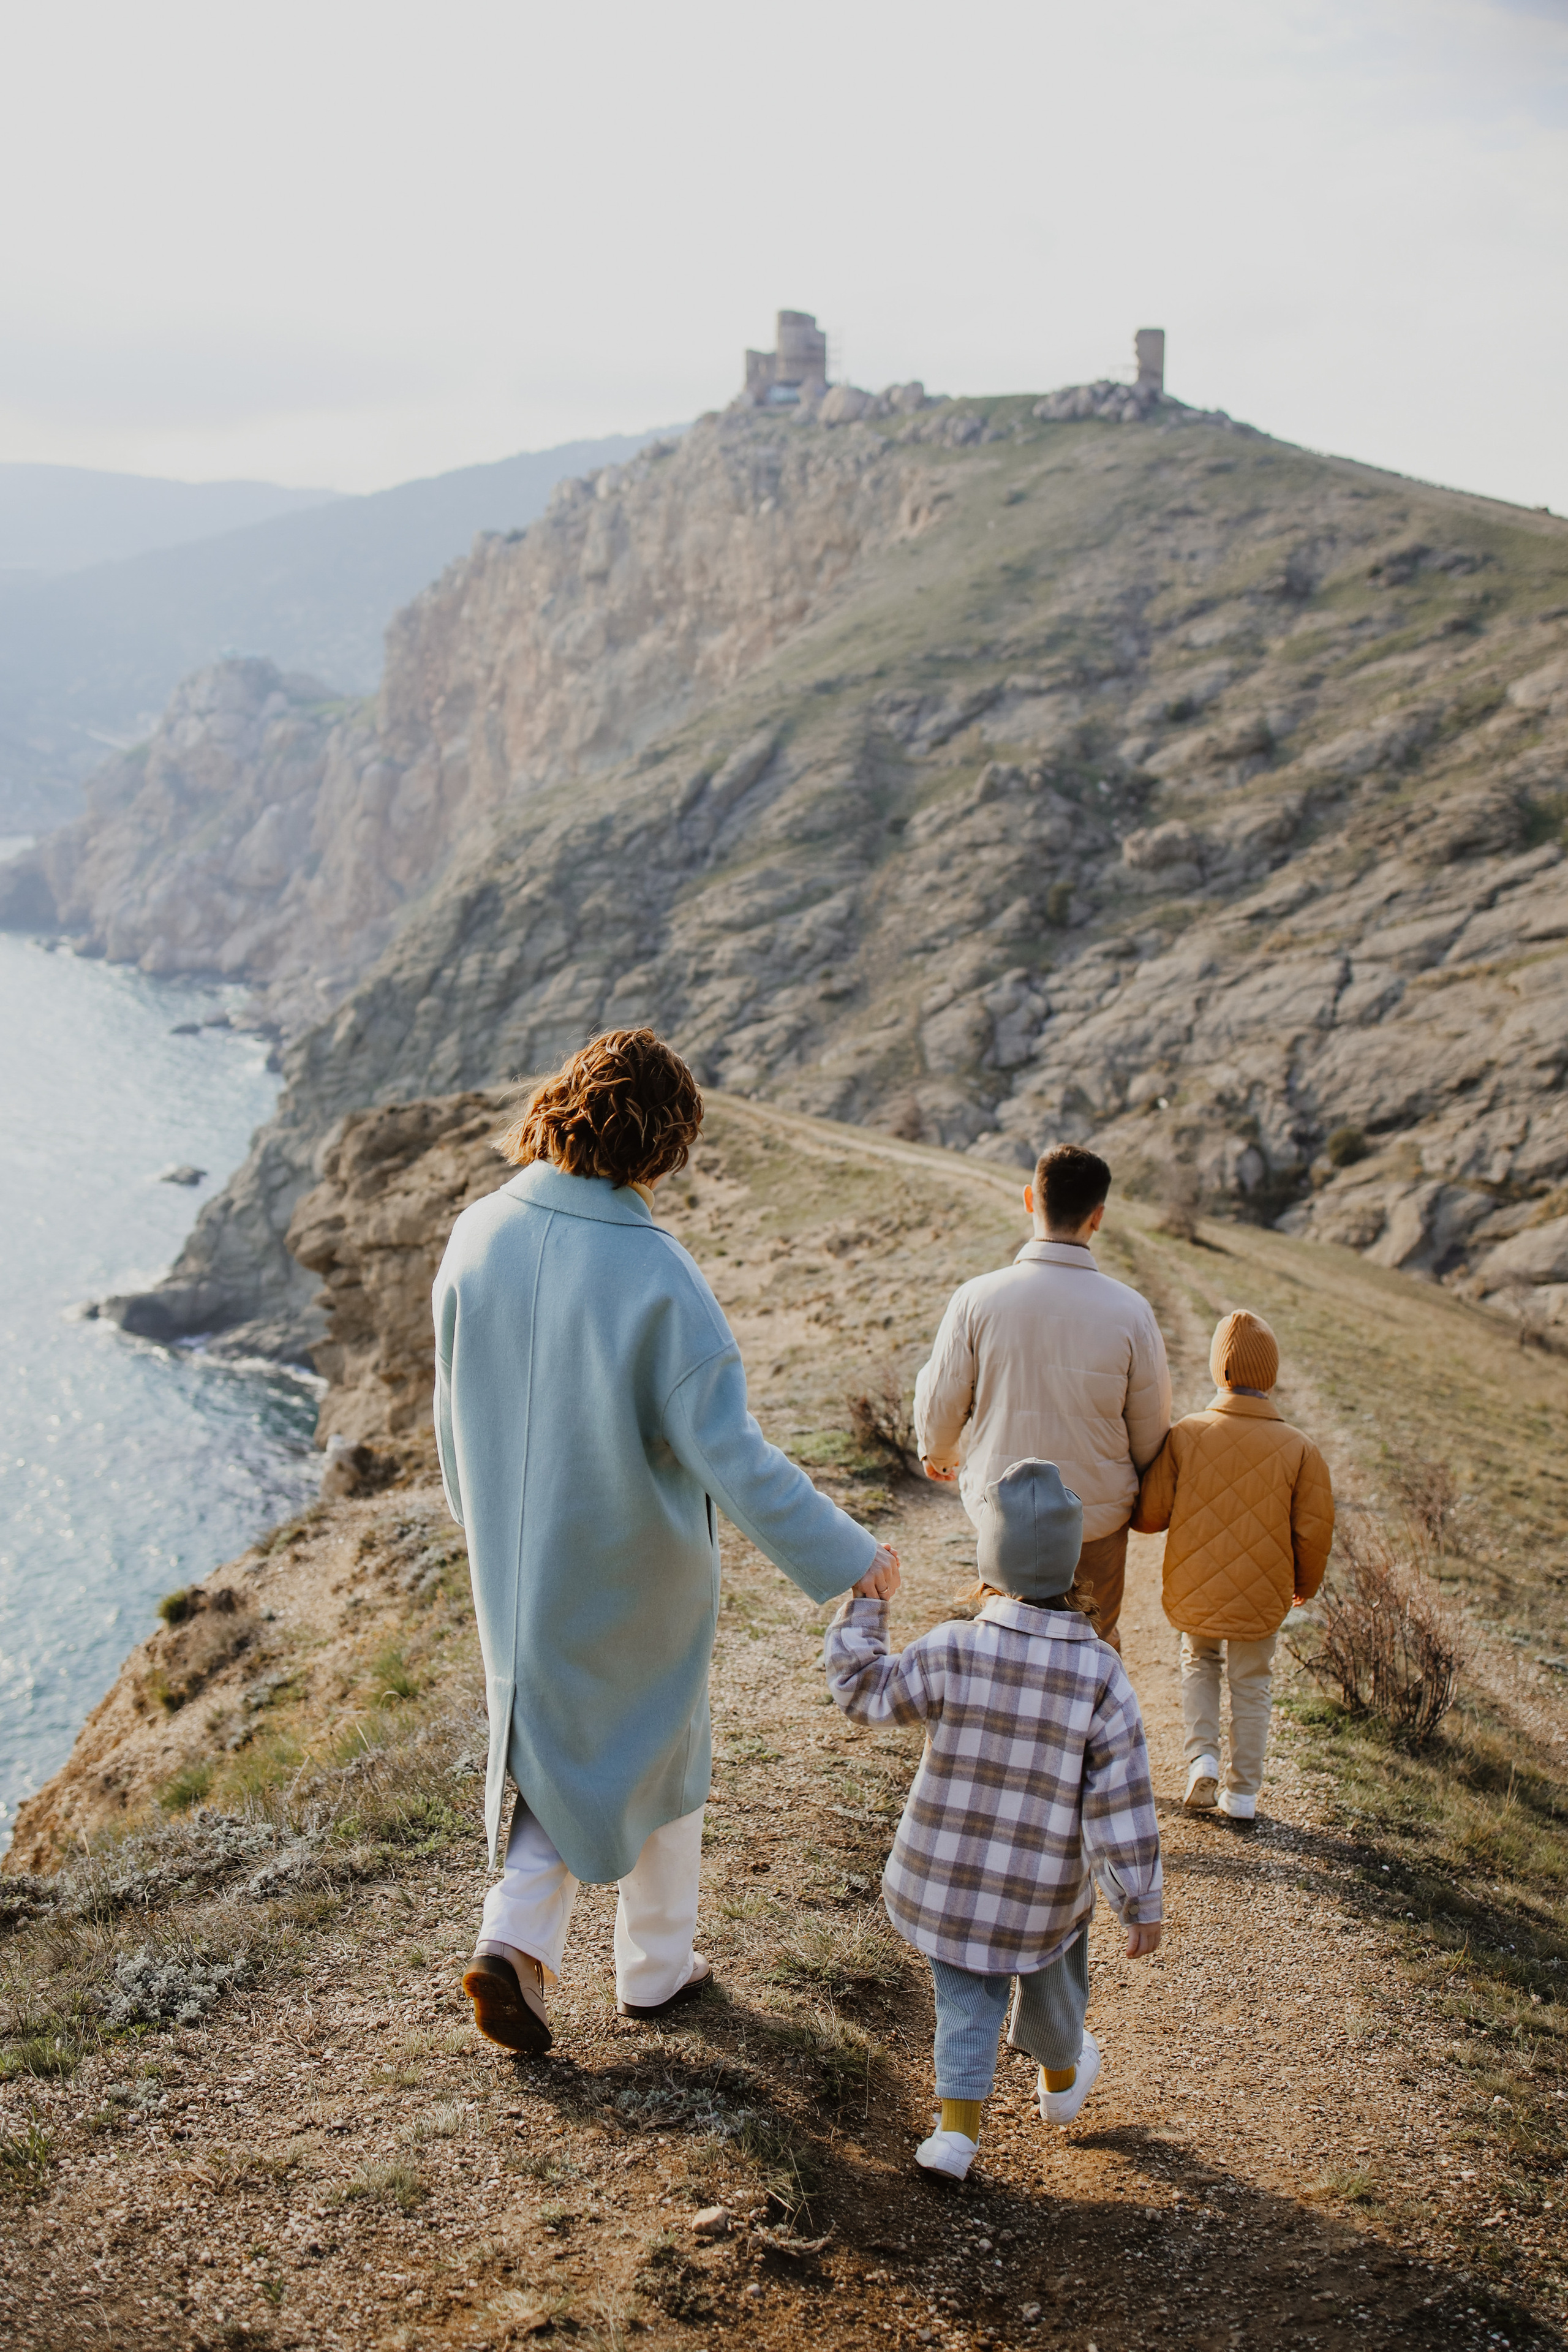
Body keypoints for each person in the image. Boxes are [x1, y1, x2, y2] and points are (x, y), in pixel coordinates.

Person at [432, 1029, 899, 2055]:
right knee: (662, 1747)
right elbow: (730, 1452)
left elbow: (450, 1416)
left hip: (515, 1565)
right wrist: (846, 1554)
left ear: (559, 1104)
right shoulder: (656, 1271)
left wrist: (484, 1530)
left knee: (547, 1749)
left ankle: (514, 1940)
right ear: (663, 1145)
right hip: (632, 1565)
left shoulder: (475, 1235)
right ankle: (655, 1969)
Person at [824, 1457, 1163, 2184]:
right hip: (1042, 1894)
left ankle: (955, 2135)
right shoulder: (1100, 1674)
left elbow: (863, 1692)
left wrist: (866, 1603)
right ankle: (1063, 2075)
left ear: (990, 1563)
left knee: (966, 1998)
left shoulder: (954, 1647)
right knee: (1051, 1980)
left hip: (947, 1880)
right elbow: (1120, 1799)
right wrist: (1137, 1899)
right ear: (1072, 1567)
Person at [913, 1143, 1170, 1650]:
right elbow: (1151, 1430)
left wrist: (940, 1454)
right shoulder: (1132, 1312)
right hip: (1095, 1517)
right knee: (1092, 1649)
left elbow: (943, 1398)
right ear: (1098, 1217)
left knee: (1005, 1647)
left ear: (1031, 1199)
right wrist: (1137, 1487)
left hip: (1003, 1510)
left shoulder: (977, 1298)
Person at [1133, 1308, 1334, 1824]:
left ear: (1219, 1371)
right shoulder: (1300, 1448)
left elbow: (1152, 1515)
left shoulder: (1187, 1433)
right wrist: (1305, 1584)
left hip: (1195, 1581)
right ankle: (1243, 1794)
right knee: (1253, 1682)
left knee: (1200, 1661)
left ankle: (1202, 1757)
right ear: (1271, 1375)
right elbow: (1314, 1530)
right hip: (1263, 1588)